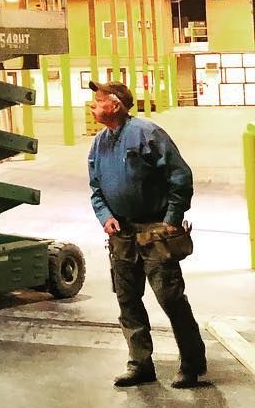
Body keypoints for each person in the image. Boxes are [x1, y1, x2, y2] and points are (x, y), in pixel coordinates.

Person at [87, 79, 206, 389]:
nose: (92, 105)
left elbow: (180, 175)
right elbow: (96, 188)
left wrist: (172, 218)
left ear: (115, 105)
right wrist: (105, 216)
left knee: (170, 298)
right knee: (127, 301)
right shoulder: (99, 143)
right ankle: (140, 364)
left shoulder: (147, 133)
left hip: (154, 231)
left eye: (98, 101)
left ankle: (192, 364)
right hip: (122, 235)